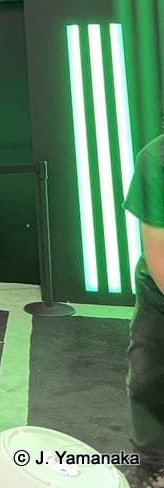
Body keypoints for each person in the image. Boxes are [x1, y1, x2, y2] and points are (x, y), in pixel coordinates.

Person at [124, 132, 164, 487]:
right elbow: (160, 256)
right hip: (160, 289)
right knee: (148, 378)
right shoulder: (156, 158)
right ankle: (152, 466)